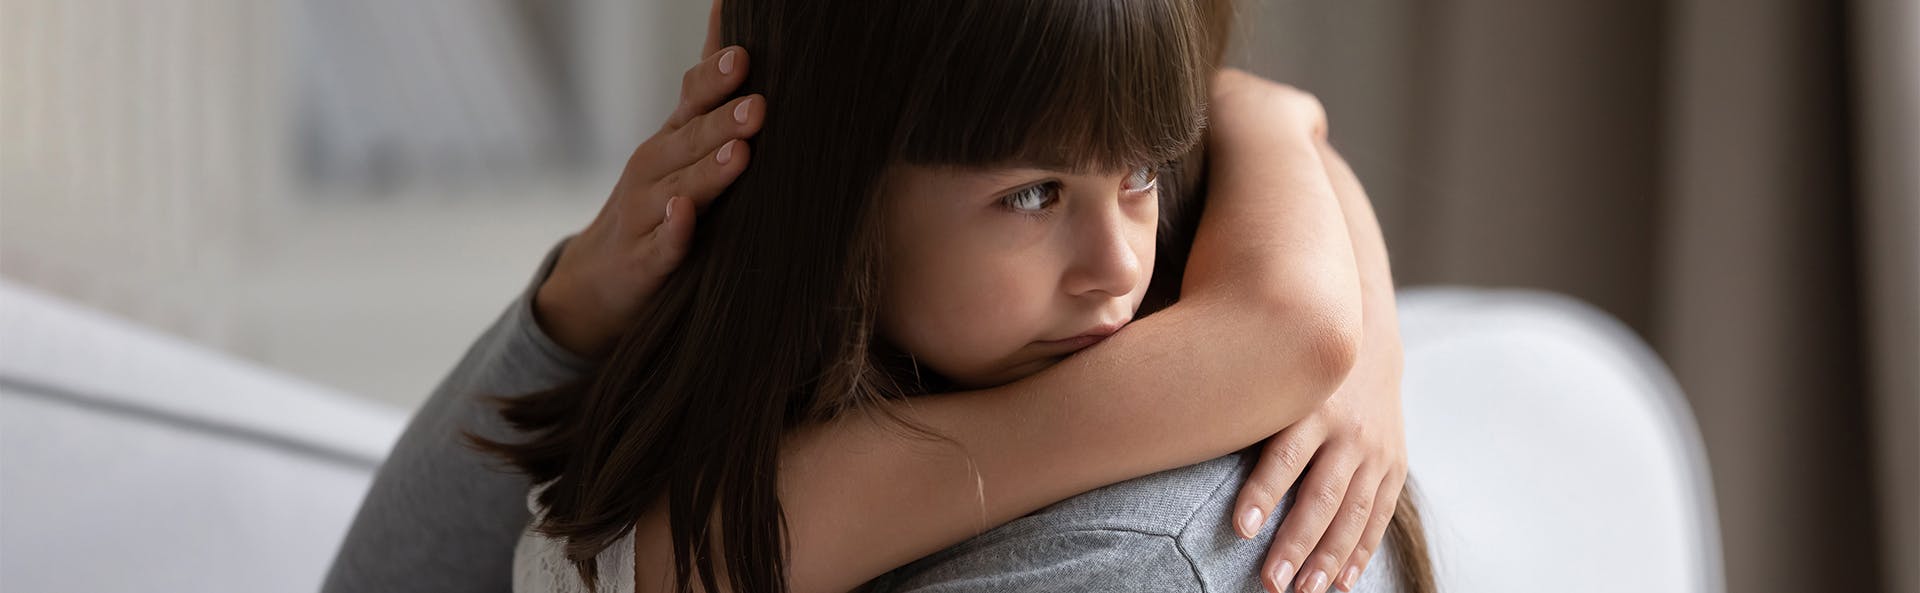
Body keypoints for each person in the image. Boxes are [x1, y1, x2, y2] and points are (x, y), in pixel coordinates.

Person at [322, 1, 1431, 592]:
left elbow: (1296, 332)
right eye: (1033, 192)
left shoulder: (1147, 551)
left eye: (1144, 169)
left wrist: (1281, 146)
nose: (1119, 270)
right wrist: (573, 307)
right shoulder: (758, 494)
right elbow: (1296, 329)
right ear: (829, 194)